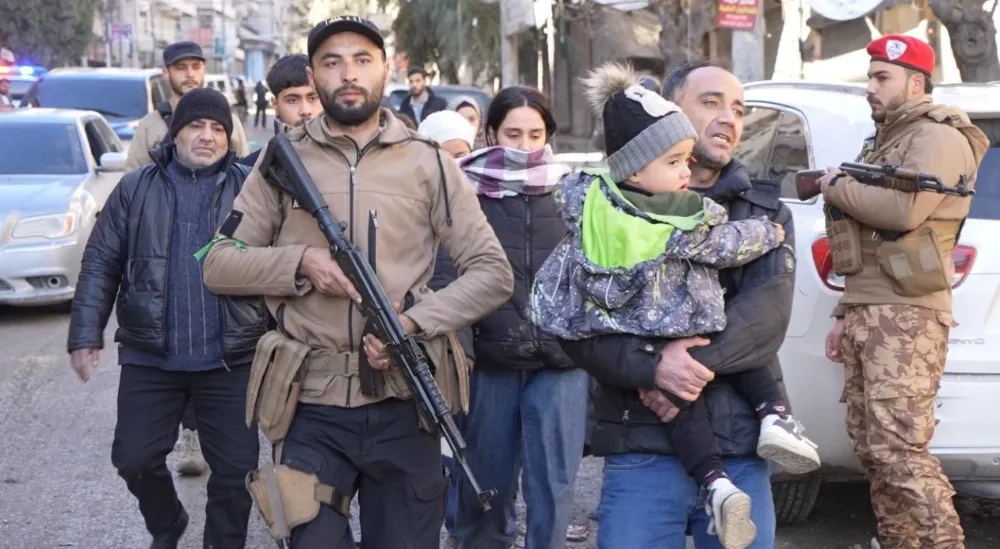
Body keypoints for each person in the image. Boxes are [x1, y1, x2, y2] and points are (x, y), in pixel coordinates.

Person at [200, 15, 514, 549]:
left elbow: (492, 272)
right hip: (308, 405)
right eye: (332, 62)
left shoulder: (429, 163)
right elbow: (218, 263)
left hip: (406, 400)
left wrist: (413, 323)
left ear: (386, 69)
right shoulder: (282, 160)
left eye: (362, 60)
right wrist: (301, 263)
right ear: (314, 76)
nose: (348, 74)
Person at [532, 63, 820, 548]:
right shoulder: (606, 213)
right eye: (711, 102)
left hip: (740, 448)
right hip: (641, 449)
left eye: (739, 109)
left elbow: (765, 321)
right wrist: (651, 366)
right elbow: (577, 327)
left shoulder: (766, 212)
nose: (728, 118)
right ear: (671, 109)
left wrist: (673, 370)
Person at [67, 88, 264, 549]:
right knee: (133, 459)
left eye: (217, 128)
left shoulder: (252, 190)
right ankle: (168, 522)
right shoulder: (135, 188)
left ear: (229, 137)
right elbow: (100, 263)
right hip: (152, 357)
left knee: (236, 473)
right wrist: (85, 333)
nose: (207, 136)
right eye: (196, 126)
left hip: (231, 358)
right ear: (175, 133)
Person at [820, 35, 987, 549]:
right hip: (870, 306)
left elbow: (903, 212)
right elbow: (867, 242)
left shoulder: (936, 136)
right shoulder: (888, 138)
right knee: (872, 448)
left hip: (906, 313)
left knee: (899, 448)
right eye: (870, 76)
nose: (870, 88)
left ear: (916, 83)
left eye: (881, 78)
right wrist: (843, 312)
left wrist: (834, 185)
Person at [448, 86, 589, 549]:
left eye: (535, 134)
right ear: (491, 133)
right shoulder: (463, 191)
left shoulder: (574, 192)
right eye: (513, 134)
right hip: (490, 361)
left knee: (554, 488)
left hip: (561, 362)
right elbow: (448, 273)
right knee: (483, 488)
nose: (525, 146)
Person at [125, 41, 249, 172]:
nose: (190, 74)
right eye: (181, 67)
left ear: (204, 69)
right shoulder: (149, 125)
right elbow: (133, 177)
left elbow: (246, 174)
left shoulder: (229, 121)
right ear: (166, 72)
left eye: (196, 67)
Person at [241, 54, 322, 167]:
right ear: (275, 104)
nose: (305, 110)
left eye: (313, 98)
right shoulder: (251, 169)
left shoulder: (345, 162)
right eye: (293, 100)